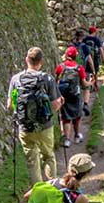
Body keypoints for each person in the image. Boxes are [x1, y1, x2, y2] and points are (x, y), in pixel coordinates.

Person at [7, 47, 63, 182]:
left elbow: (9, 105)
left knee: (32, 160)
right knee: (48, 156)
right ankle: (51, 188)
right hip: (44, 126)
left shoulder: (16, 79)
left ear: (27, 60)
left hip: (25, 127)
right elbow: (55, 106)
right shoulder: (47, 79)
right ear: (41, 62)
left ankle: (37, 191)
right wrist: (60, 102)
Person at [55, 47, 88, 147]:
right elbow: (84, 84)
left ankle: (67, 140)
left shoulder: (60, 67)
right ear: (75, 56)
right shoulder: (79, 68)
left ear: (66, 55)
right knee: (77, 116)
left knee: (66, 118)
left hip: (64, 95)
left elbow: (55, 80)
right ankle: (77, 136)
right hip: (75, 95)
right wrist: (91, 83)